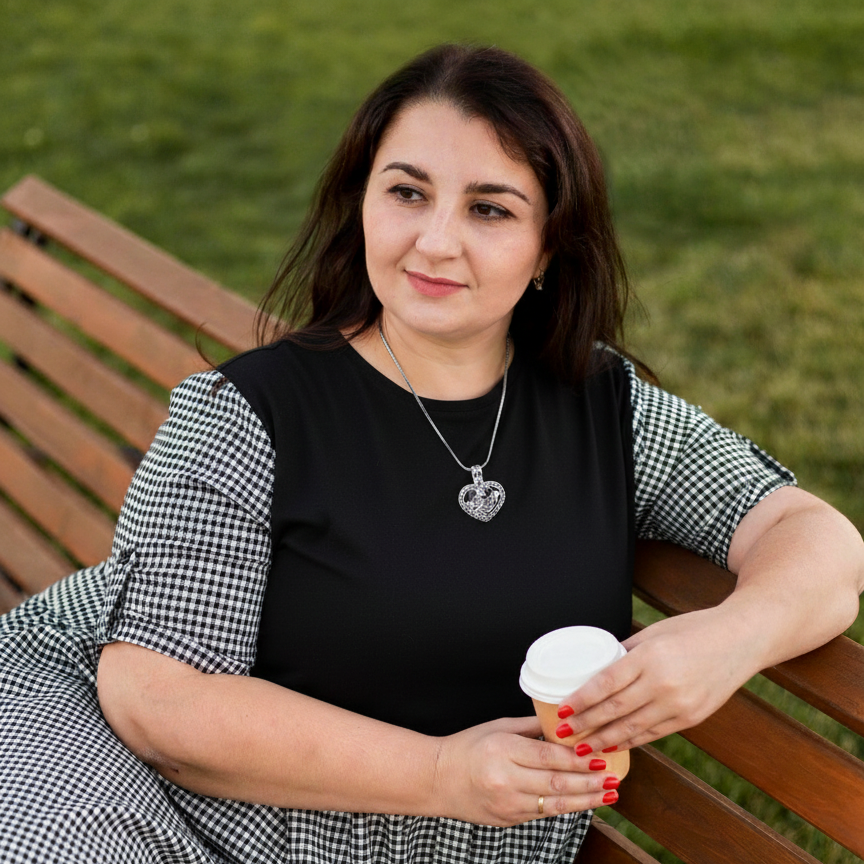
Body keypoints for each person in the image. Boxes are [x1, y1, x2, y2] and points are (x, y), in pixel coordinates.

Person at [1, 43, 862, 864]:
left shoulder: (603, 406)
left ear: (548, 248)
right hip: (162, 802)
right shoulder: (249, 414)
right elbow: (156, 700)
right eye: (408, 193)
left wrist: (729, 640)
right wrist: (441, 773)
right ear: (363, 203)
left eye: (490, 209)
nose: (436, 241)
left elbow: (818, 543)